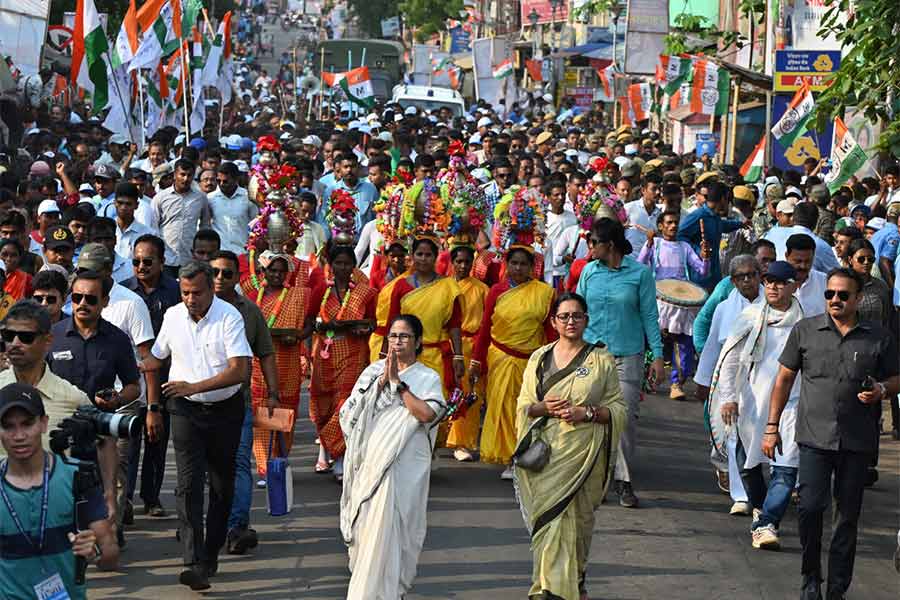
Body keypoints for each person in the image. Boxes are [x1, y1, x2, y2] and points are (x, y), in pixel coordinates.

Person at [764, 268, 898, 600]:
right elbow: (783, 380)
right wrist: (771, 427)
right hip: (813, 438)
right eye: (830, 294)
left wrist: (882, 389)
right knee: (809, 509)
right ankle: (811, 578)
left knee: (846, 517)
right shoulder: (805, 331)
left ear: (857, 299)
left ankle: (838, 587)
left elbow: (898, 378)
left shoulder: (878, 337)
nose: (835, 300)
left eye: (842, 295)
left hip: (857, 442)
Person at [141, 261, 252, 590]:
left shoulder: (229, 316)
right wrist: (133, 383)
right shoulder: (173, 316)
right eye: (185, 293)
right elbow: (156, 358)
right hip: (185, 411)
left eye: (197, 293)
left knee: (221, 487)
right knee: (188, 485)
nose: (191, 299)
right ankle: (192, 560)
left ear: (210, 289)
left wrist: (194, 386)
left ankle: (209, 555)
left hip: (224, 411)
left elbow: (239, 371)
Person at [514, 293, 626, 600]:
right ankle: (547, 588)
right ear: (553, 322)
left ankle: (573, 583)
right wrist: (544, 408)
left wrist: (585, 413)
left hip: (584, 454)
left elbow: (617, 408)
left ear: (586, 320)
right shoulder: (539, 358)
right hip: (546, 455)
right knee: (549, 520)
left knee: (578, 521)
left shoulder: (600, 359)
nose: (571, 322)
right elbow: (524, 406)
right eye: (564, 317)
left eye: (577, 316)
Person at [339, 314, 446, 600]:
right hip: (372, 463)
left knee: (400, 534)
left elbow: (427, 414)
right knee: (368, 537)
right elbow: (348, 416)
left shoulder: (427, 377)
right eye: (393, 336)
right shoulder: (372, 372)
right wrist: (379, 385)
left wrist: (398, 384)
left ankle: (391, 593)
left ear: (418, 341)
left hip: (405, 468)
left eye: (405, 336)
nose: (397, 341)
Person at [712, 262, 803, 550]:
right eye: (768, 282)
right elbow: (731, 360)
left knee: (786, 466)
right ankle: (762, 507)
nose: (773, 287)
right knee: (748, 464)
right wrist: (729, 397)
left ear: (794, 285)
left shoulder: (807, 322)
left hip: (792, 403)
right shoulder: (750, 316)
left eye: (780, 282)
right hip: (751, 401)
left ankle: (766, 523)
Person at [0, 382, 119, 599]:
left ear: (44, 423)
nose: (19, 436)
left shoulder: (77, 476)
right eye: (8, 426)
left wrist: (93, 553)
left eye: (27, 424)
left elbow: (110, 554)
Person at [577, 218, 664, 508]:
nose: (589, 248)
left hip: (628, 355)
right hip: (591, 354)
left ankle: (623, 480)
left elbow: (651, 316)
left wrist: (659, 357)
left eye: (593, 243)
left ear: (609, 245)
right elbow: (577, 313)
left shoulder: (640, 274)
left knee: (622, 420)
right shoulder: (589, 271)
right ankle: (591, 476)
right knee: (587, 416)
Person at [208, 251, 279, 556]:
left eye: (227, 273)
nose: (220, 279)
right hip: (199, 403)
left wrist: (274, 393)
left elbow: (265, 352)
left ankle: (236, 527)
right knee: (204, 466)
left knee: (238, 464)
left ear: (238, 277)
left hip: (239, 402)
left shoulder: (249, 311)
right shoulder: (191, 308)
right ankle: (202, 526)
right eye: (215, 272)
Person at [471, 246, 555, 478]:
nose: (518, 268)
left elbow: (550, 331)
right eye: (514, 263)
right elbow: (485, 328)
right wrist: (476, 361)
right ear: (507, 265)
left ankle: (525, 453)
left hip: (531, 362)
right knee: (504, 410)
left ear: (532, 268)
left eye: (523, 264)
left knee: (528, 410)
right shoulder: (496, 292)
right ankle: (511, 457)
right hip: (500, 358)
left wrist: (555, 362)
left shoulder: (544, 293)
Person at [240, 251, 319, 484]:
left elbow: (309, 325)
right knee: (262, 411)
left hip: (288, 360)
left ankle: (280, 460)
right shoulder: (253, 296)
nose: (276, 275)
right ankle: (265, 467)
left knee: (285, 411)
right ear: (264, 272)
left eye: (281, 271)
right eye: (272, 270)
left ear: (287, 274)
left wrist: (297, 337)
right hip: (259, 363)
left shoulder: (299, 295)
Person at [120, 234, 180, 517]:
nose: (141, 267)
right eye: (136, 261)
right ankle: (126, 500)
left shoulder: (176, 292)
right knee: (130, 443)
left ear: (162, 262)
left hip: (166, 376)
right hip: (131, 378)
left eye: (147, 261)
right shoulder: (124, 293)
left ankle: (152, 498)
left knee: (157, 439)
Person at [309, 244, 376, 479]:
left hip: (353, 351)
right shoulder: (320, 290)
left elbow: (373, 322)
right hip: (325, 351)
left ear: (354, 266)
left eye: (347, 263)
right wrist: (323, 326)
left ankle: (341, 457)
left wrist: (362, 328)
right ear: (330, 265)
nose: (343, 268)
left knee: (344, 403)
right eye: (338, 263)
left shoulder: (365, 292)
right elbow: (308, 322)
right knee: (323, 403)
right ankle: (325, 449)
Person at [637, 210, 711, 399]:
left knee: (684, 345)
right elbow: (640, 263)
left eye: (675, 222)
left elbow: (702, 271)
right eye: (669, 222)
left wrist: (706, 257)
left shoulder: (684, 247)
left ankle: (677, 384)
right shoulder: (656, 244)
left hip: (683, 303)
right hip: (659, 301)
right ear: (660, 226)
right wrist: (649, 244)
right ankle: (649, 379)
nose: (673, 226)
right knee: (654, 342)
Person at [381, 237, 464, 396]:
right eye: (419, 254)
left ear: (436, 256)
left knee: (434, 405)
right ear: (412, 256)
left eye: (428, 255)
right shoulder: (401, 286)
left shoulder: (448, 287)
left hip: (436, 357)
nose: (423, 259)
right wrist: (385, 355)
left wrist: (458, 356)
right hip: (405, 356)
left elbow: (454, 325)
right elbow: (392, 323)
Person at [445, 245, 490, 461]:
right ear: (451, 263)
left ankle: (463, 442)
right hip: (447, 346)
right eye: (458, 261)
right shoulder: (442, 287)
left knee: (471, 395)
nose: (462, 266)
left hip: (473, 345)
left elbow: (488, 323)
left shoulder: (482, 289)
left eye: (466, 262)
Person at [677, 181, 747, 290]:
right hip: (699, 275)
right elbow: (680, 236)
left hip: (714, 273)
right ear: (723, 199)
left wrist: (740, 224)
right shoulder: (698, 216)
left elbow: (721, 225)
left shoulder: (715, 216)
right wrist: (697, 250)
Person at [152, 159, 211, 277]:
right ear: (175, 175)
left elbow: (205, 225)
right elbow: (153, 228)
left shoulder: (200, 198)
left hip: (189, 258)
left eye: (189, 175)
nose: (185, 179)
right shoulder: (160, 198)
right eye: (182, 174)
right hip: (166, 258)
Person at [208, 162, 258, 254]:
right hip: (219, 253)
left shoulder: (248, 197)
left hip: (243, 252)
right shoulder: (210, 199)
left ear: (235, 179)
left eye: (225, 181)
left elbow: (255, 225)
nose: (221, 184)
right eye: (218, 181)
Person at [846, 238, 893, 326]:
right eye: (861, 259)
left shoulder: (881, 286)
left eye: (870, 259)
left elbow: (886, 318)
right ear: (850, 260)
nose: (866, 262)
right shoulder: (843, 285)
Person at [785, 233, 827, 317]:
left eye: (808, 261)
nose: (803, 266)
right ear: (787, 256)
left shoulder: (825, 281)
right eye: (798, 261)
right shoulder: (774, 282)